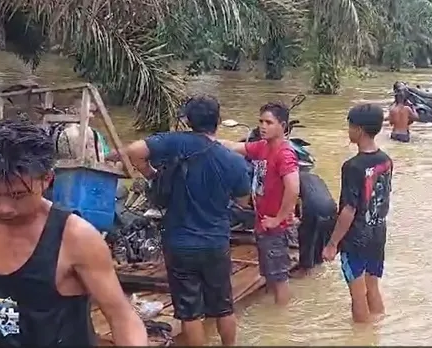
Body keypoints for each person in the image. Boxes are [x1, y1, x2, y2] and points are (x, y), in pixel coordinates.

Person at [0, 119, 148, 347]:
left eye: (18, 195)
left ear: (47, 180)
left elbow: (122, 318)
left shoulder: (76, 238)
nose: (3, 207)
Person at [109, 95, 250, 346]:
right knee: (224, 307)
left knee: (189, 312)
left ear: (188, 120)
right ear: (217, 120)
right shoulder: (234, 161)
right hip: (216, 242)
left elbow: (133, 151)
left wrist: (152, 175)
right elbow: (242, 201)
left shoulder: (175, 142)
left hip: (179, 242)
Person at [220, 101, 300, 306]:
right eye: (261, 121)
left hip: (275, 227)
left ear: (282, 126)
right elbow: (236, 147)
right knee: (271, 275)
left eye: (269, 122)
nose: (263, 126)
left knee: (279, 278)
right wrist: (207, 139)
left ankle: (283, 322)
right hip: (263, 223)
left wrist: (279, 218)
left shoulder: (284, 153)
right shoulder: (263, 147)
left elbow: (293, 188)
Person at [322, 104, 393, 323]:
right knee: (372, 286)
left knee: (357, 294)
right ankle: (377, 329)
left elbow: (349, 209)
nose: (348, 130)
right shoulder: (386, 161)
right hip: (378, 232)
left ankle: (362, 335)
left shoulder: (352, 166)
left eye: (350, 126)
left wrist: (333, 243)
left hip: (356, 238)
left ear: (359, 130)